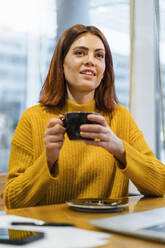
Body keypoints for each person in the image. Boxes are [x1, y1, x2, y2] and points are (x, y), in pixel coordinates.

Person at [4, 24, 165, 209]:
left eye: (99, 55)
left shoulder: (120, 117)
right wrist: (47, 160)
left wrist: (120, 149)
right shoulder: (32, 118)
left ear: (104, 69)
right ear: (61, 62)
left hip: (105, 233)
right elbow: (12, 201)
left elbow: (161, 184)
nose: (91, 61)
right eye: (80, 53)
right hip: (52, 234)